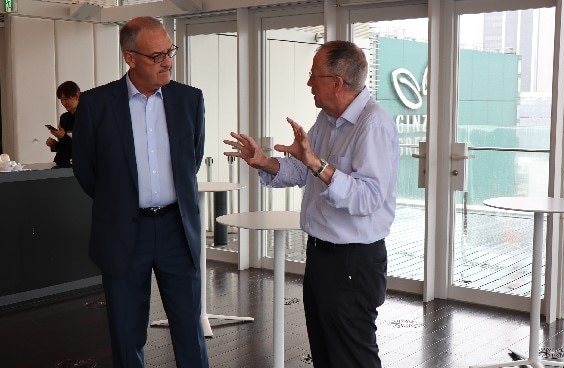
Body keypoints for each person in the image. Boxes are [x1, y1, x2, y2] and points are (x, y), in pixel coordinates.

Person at [224, 40, 399, 368]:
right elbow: (303, 169)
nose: (308, 83)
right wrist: (264, 162)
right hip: (322, 256)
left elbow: (369, 198)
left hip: (353, 262)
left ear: (337, 82)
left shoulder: (372, 125)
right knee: (326, 355)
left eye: (313, 75)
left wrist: (319, 165)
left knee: (352, 358)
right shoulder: (328, 119)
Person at [72, 16, 208, 368]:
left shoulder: (189, 100)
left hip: (177, 230)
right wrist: (120, 203)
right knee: (126, 331)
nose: (167, 61)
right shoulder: (96, 105)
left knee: (189, 330)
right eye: (157, 55)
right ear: (130, 58)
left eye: (170, 51)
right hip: (122, 231)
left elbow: (190, 162)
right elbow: (87, 172)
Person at [46, 81, 80, 167]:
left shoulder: (86, 118)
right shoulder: (64, 117)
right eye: (61, 99)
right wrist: (54, 145)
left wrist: (63, 137)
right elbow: (64, 146)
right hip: (61, 162)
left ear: (77, 96)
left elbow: (82, 148)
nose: (63, 103)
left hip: (77, 165)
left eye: (66, 99)